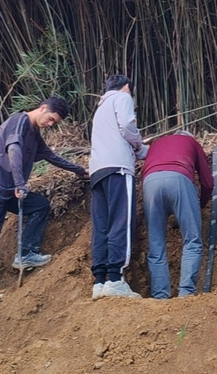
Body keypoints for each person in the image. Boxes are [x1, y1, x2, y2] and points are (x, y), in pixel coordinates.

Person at [0, 96, 87, 307]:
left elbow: (51, 156)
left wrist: (80, 171)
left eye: (54, 123)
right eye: (50, 119)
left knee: (39, 205)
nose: (50, 124)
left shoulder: (35, 134)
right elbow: (13, 149)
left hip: (7, 192)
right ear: (42, 108)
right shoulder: (19, 121)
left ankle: (26, 254)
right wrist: (20, 183)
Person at [89, 74, 149, 300]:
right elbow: (127, 126)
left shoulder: (100, 108)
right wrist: (140, 144)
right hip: (118, 168)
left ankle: (100, 281)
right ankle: (115, 279)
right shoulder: (122, 98)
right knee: (120, 222)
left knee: (102, 226)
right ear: (126, 87)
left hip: (98, 170)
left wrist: (139, 149)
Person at [141, 131, 213, 299]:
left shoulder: (156, 144)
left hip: (150, 183)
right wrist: (199, 206)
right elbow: (208, 183)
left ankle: (160, 296)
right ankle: (186, 293)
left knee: (156, 243)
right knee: (192, 240)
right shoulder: (191, 141)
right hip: (179, 178)